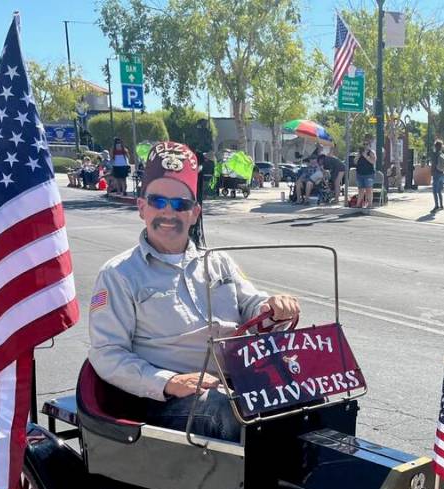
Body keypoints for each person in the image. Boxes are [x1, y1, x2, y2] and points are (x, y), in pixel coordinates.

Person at [87, 141, 301, 442]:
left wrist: (273, 306)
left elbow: (252, 304)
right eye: (158, 202)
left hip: (238, 381)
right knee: (229, 413)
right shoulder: (119, 274)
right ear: (141, 207)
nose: (168, 213)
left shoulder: (218, 262)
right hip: (169, 400)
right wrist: (169, 382)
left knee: (305, 396)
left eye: (180, 204)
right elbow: (107, 354)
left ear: (195, 213)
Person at [355, 135, 376, 211]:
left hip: (369, 174)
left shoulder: (371, 152)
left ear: (369, 145)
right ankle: (358, 204)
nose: (365, 145)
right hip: (360, 173)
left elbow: (373, 161)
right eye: (364, 144)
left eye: (366, 144)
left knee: (369, 189)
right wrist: (358, 156)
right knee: (360, 189)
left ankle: (370, 204)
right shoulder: (360, 153)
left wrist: (366, 156)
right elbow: (355, 162)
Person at [431, 139, 444, 213]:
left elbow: (434, 164)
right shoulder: (442, 154)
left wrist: (432, 171)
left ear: (435, 146)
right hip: (442, 173)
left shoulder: (435, 154)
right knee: (439, 191)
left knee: (434, 191)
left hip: (437, 173)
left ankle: (436, 206)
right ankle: (441, 205)